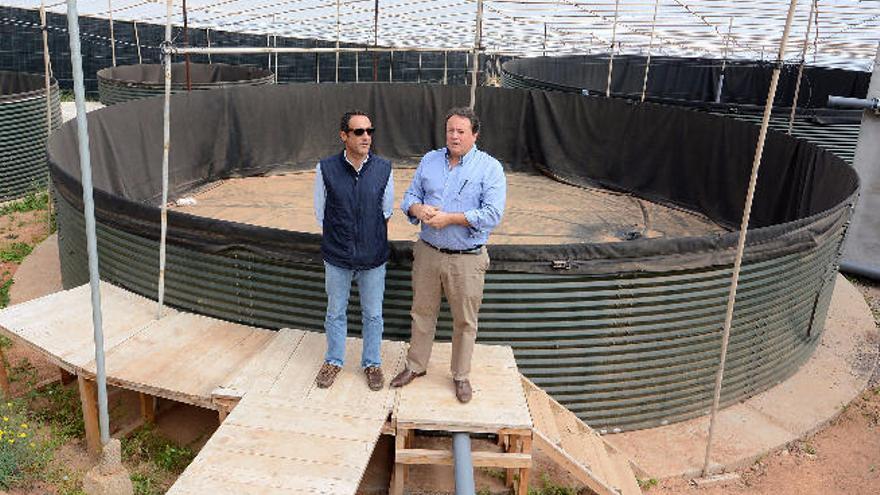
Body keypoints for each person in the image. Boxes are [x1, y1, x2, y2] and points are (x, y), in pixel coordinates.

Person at [391, 106, 507, 403]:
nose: (454, 136)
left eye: (460, 131)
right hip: (428, 252)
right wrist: (417, 209)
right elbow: (410, 197)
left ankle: (461, 376)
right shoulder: (430, 160)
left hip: (467, 259)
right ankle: (416, 366)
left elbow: (492, 214)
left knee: (465, 321)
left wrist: (451, 218)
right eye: (450, 130)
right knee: (421, 313)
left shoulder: (490, 168)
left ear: (474, 135)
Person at [313, 110, 393, 391]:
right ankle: (334, 361)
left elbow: (387, 211)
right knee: (335, 312)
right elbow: (321, 213)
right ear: (344, 135)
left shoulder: (384, 169)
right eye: (359, 132)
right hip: (337, 257)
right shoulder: (325, 169)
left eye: (370, 131)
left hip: (373, 258)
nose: (366, 137)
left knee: (373, 314)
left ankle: (372, 363)